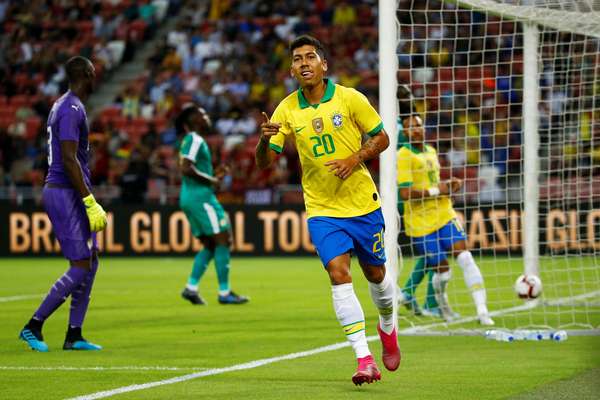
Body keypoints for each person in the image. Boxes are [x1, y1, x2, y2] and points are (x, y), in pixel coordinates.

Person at [255, 35, 399, 386]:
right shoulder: (286, 109)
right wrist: (263, 139)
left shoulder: (351, 98)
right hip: (322, 208)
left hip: (363, 204)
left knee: (376, 275)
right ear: (291, 69)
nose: (304, 63)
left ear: (324, 65)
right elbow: (264, 163)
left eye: (310, 57)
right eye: (297, 59)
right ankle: (364, 358)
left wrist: (354, 158)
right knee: (338, 273)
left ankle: (388, 327)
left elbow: (382, 139)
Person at [19, 56, 108, 352]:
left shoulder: (67, 105)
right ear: (86, 73)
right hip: (64, 191)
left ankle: (74, 335)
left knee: (90, 261)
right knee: (81, 264)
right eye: (94, 73)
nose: (97, 78)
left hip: (69, 191)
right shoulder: (70, 108)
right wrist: (88, 199)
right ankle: (33, 325)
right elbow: (69, 159)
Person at [397, 112, 494, 326]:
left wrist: (449, 185)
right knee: (444, 272)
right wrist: (436, 190)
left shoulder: (431, 150)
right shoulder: (404, 155)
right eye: (411, 127)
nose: (416, 129)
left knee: (465, 257)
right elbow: (405, 193)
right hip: (420, 221)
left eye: (419, 125)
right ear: (405, 132)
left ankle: (482, 311)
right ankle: (441, 305)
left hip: (443, 213)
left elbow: (436, 183)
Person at [176, 105, 248, 306]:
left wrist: (214, 176)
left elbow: (192, 169)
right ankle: (224, 293)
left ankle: (191, 288)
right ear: (192, 121)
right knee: (224, 237)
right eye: (202, 115)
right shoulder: (194, 139)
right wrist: (212, 181)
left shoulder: (193, 141)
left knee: (210, 244)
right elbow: (186, 168)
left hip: (192, 196)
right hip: (201, 198)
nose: (207, 117)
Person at [395, 84, 438, 317]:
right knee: (435, 250)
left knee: (432, 250)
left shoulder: (395, 125)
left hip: (400, 192)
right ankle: (426, 300)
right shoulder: (411, 128)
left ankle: (417, 296)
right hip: (413, 195)